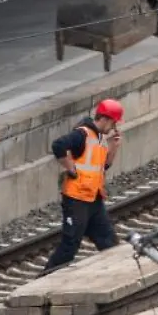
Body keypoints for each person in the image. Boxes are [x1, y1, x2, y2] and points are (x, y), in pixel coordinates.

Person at [42, 99, 124, 273]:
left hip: (93, 199)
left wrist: (114, 147)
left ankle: (117, 275)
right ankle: (43, 279)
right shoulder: (83, 134)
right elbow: (58, 145)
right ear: (106, 119)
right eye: (114, 122)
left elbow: (104, 167)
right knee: (69, 247)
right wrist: (70, 168)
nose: (114, 127)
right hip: (76, 199)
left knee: (109, 242)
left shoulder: (101, 140)